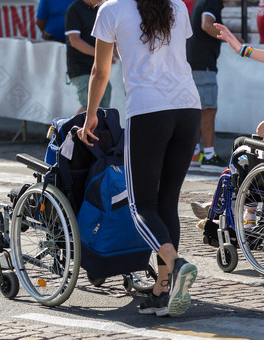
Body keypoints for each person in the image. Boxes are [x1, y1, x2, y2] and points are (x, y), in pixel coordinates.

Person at [77, 0, 200, 317]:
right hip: (188, 107)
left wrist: (91, 115)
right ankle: (162, 290)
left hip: (148, 110)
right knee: (167, 201)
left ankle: (177, 264)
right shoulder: (176, 5)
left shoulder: (111, 10)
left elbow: (100, 70)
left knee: (140, 205)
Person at [187, 0, 243, 171]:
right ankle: (209, 156)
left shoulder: (202, 2)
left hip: (195, 63)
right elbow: (206, 24)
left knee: (198, 109)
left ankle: (195, 153)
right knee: (208, 110)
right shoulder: (212, 1)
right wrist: (230, 38)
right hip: (203, 65)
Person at [65, 0, 112, 114]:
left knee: (101, 108)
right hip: (80, 68)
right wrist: (102, 54)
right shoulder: (74, 9)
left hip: (97, 68)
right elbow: (74, 41)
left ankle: (87, 130)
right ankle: (73, 130)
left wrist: (112, 49)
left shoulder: (100, 9)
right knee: (89, 107)